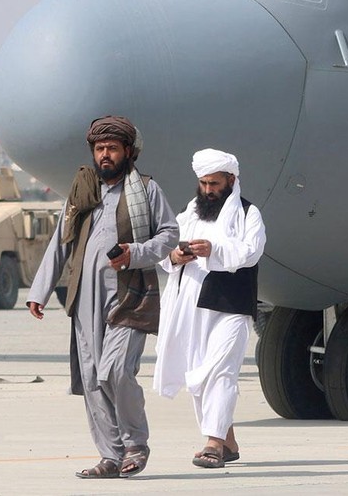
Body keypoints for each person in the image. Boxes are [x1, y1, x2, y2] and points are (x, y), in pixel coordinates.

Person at [27, 116, 178, 479]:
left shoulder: (146, 190)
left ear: (128, 151)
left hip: (131, 296)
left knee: (116, 370)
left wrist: (137, 252)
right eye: (99, 149)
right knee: (93, 377)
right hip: (86, 300)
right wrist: (40, 291)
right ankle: (110, 456)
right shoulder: (82, 191)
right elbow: (59, 243)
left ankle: (136, 444)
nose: (105, 155)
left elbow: (170, 234)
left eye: (112, 148)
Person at [153, 149, 265, 469]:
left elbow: (251, 251)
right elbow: (165, 251)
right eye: (203, 183)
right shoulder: (190, 215)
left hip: (231, 305)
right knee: (199, 375)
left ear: (231, 180)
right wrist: (176, 257)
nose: (207, 190)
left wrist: (214, 250)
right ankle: (228, 441)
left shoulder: (248, 214)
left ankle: (213, 444)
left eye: (214, 183)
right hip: (191, 305)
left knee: (220, 370)